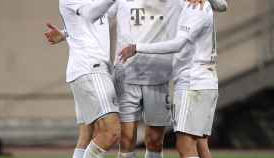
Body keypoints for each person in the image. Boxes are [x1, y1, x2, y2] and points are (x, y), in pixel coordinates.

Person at [119, 0, 227, 157]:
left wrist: (137, 48)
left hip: (193, 82)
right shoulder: (194, 3)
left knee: (185, 144)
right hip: (205, 80)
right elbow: (223, 5)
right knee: (201, 145)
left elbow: (178, 45)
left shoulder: (193, 8)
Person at [45, 1, 121, 158]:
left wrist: (66, 33)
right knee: (111, 132)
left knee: (87, 134)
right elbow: (90, 13)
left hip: (88, 70)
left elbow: (107, 13)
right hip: (90, 69)